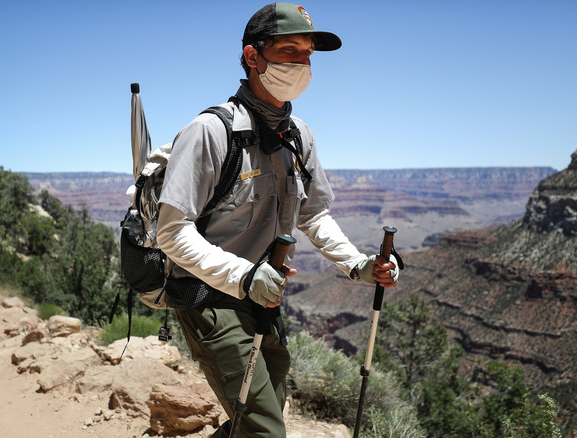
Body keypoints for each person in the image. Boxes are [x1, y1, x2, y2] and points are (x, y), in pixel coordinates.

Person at [155, 3, 399, 436]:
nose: (302, 64)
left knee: (263, 410)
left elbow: (314, 213)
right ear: (253, 56)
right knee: (265, 428)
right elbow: (171, 232)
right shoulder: (210, 132)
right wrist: (245, 276)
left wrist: (357, 264)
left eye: (307, 54)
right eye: (289, 51)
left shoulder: (299, 135)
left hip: (263, 296)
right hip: (210, 296)